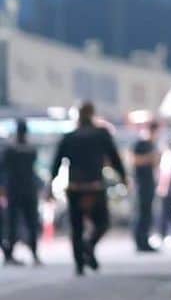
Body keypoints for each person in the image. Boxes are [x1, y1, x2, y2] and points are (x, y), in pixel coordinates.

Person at [47, 103, 127, 276]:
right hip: (95, 186)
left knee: (76, 227)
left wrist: (49, 187)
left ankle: (79, 264)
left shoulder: (69, 137)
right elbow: (114, 158)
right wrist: (123, 177)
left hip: (75, 187)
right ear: (92, 114)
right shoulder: (101, 134)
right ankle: (89, 245)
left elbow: (56, 163)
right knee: (102, 223)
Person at [2, 119, 42, 266]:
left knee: (12, 223)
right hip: (29, 189)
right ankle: (34, 254)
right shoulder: (31, 149)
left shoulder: (10, 150)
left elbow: (3, 169)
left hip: (14, 189)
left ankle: (9, 255)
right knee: (31, 223)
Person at [131, 120, 161, 252]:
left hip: (149, 182)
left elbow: (155, 163)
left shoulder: (152, 144)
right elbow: (135, 160)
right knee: (142, 212)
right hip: (141, 183)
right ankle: (140, 240)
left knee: (147, 212)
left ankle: (144, 239)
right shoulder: (141, 143)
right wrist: (150, 157)